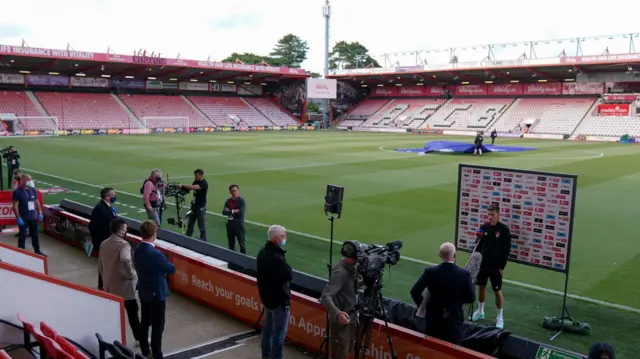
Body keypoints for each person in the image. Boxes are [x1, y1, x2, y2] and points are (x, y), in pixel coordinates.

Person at [410, 242, 475, 344]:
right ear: (455, 255)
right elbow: (471, 298)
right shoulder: (464, 274)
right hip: (454, 321)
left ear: (440, 255)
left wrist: (426, 307)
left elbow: (415, 291)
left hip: (433, 321)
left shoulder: (430, 272)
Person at [134, 220, 175, 359]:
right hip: (156, 294)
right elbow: (171, 268)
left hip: (144, 291)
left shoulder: (137, 249)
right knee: (157, 327)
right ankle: (157, 355)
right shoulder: (155, 254)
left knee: (145, 321)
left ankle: (146, 350)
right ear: (153, 234)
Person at [98, 218, 141, 347]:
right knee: (133, 314)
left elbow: (100, 265)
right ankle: (139, 339)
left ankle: (113, 339)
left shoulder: (103, 244)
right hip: (125, 287)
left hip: (109, 286)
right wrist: (132, 275)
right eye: (125, 229)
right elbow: (125, 259)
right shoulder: (124, 245)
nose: (126, 231)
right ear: (121, 230)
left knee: (113, 315)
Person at [471, 203, 512, 329]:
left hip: (495, 266)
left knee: (497, 291)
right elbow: (478, 245)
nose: (490, 217)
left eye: (492, 215)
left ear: (498, 215)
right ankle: (480, 310)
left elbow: (506, 250)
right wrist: (475, 259)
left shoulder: (504, 230)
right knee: (481, 287)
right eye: (488, 214)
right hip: (482, 264)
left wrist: (502, 266)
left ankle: (500, 317)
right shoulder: (483, 228)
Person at [257, 225, 292, 359]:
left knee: (267, 330)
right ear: (277, 238)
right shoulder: (276, 257)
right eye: (284, 236)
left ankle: (266, 355)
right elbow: (288, 274)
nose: (285, 238)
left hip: (267, 299)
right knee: (278, 334)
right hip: (278, 301)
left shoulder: (262, 252)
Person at [320, 241, 359, 359]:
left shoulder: (352, 269)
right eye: (357, 259)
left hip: (351, 318)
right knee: (339, 355)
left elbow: (348, 287)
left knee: (347, 350)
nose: (359, 262)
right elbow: (325, 296)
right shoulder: (341, 273)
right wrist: (337, 314)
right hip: (342, 321)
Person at [89, 187, 118, 290]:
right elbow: (94, 227)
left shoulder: (107, 207)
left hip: (109, 242)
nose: (114, 197)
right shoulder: (99, 208)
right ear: (106, 197)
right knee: (105, 266)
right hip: (104, 243)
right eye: (113, 195)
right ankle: (102, 287)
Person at [12, 174, 44, 256]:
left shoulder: (32, 190)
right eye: (28, 180)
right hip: (24, 217)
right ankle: (21, 251)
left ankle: (37, 250)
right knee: (22, 235)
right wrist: (18, 217)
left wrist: (39, 212)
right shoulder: (17, 192)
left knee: (35, 234)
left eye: (31, 180)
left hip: (33, 217)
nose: (30, 182)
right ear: (23, 180)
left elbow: (36, 202)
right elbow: (15, 206)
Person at [178, 169, 208, 242]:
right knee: (190, 222)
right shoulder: (196, 181)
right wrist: (182, 190)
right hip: (194, 206)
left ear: (201, 175)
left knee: (201, 224)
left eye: (196, 175)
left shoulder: (204, 183)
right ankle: (188, 237)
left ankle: (203, 239)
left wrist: (182, 185)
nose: (195, 177)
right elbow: (190, 188)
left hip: (200, 207)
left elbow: (194, 187)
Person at [222, 184, 246, 253]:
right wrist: (234, 211)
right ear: (230, 192)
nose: (234, 192)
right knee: (231, 244)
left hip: (239, 226)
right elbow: (223, 212)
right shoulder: (228, 201)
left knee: (242, 244)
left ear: (238, 191)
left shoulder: (242, 201)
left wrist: (229, 211)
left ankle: (243, 259)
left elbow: (241, 213)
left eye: (235, 191)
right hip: (230, 225)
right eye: (232, 191)